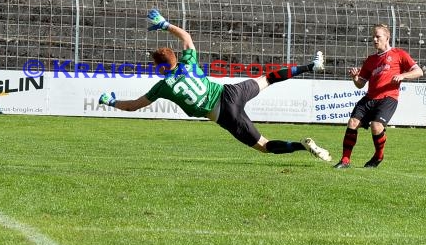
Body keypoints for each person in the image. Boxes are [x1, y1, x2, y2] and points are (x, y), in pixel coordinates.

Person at [98, 9, 332, 161]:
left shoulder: (162, 87)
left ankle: (303, 146)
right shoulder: (187, 64)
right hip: (231, 92)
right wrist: (165, 24)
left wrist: (110, 101)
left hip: (223, 113)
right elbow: (187, 38)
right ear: (175, 59)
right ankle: (310, 66)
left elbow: (133, 106)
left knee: (264, 145)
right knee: (268, 78)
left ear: (159, 68)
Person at [333, 24, 423, 169]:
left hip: (388, 98)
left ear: (387, 37)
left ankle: (378, 156)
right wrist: (355, 78)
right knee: (352, 123)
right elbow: (361, 84)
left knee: (376, 126)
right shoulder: (370, 60)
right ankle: (345, 160)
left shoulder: (399, 54)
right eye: (373, 37)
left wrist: (402, 75)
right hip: (369, 98)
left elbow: (418, 71)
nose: (374, 39)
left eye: (378, 36)